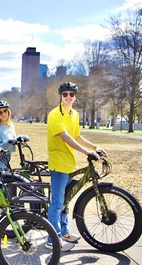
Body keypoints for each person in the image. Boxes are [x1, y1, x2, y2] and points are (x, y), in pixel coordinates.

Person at [46, 82, 107, 251]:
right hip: (58, 163)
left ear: (75, 96)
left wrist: (94, 147)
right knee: (57, 203)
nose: (68, 97)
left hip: (69, 163)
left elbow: (77, 136)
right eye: (65, 94)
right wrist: (86, 152)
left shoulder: (74, 114)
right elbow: (66, 137)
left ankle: (64, 232)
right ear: (60, 96)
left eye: (71, 94)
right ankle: (52, 240)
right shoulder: (54, 115)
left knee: (65, 201)